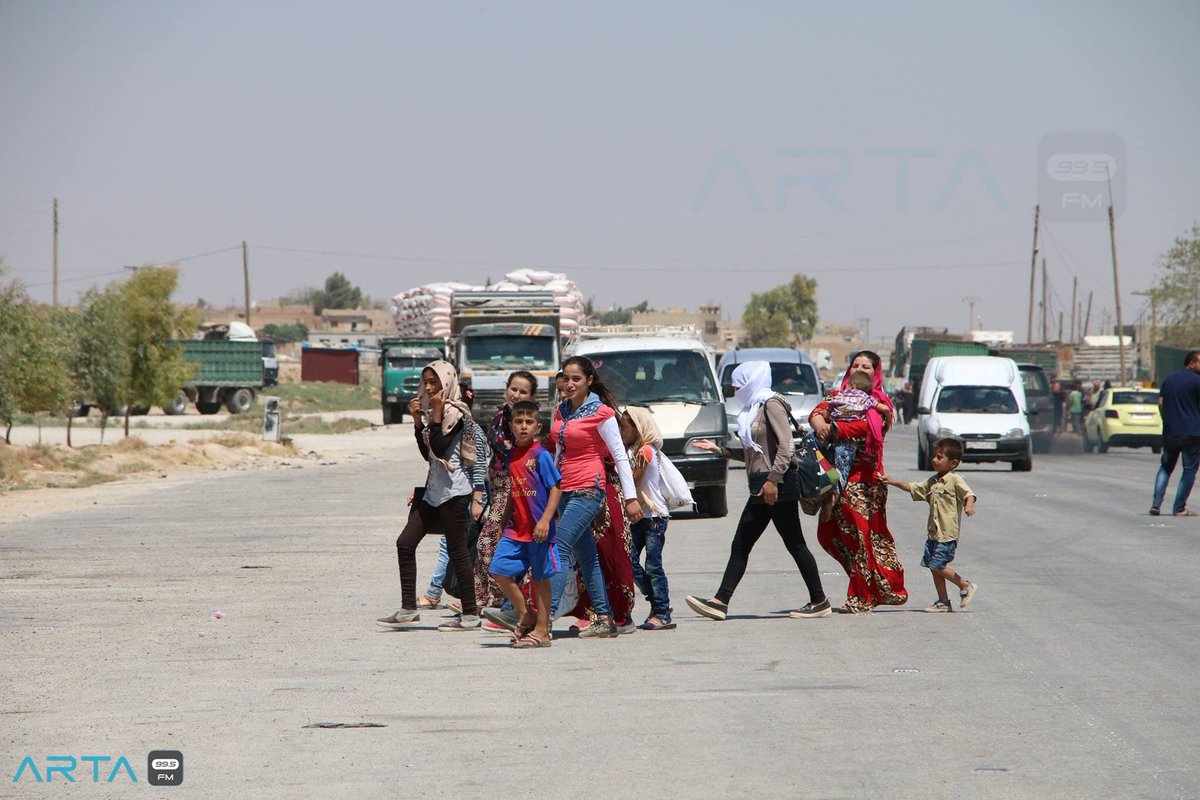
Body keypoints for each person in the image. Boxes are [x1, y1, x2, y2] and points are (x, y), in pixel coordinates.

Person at [685, 361, 831, 621]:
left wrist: (773, 480)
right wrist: (721, 451)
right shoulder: (751, 408)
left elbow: (785, 448)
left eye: (740, 382)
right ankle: (720, 601)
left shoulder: (771, 404)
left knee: (786, 543)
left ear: (753, 380)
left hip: (775, 486)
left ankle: (819, 600)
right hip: (762, 486)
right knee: (748, 544)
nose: (736, 388)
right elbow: (756, 454)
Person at [377, 361, 487, 631]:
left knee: (457, 551)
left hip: (455, 492)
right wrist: (418, 422)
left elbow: (439, 446)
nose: (428, 387)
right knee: (405, 542)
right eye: (425, 382)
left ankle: (470, 614)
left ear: (447, 382)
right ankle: (408, 609)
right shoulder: (433, 414)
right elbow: (428, 454)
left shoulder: (455, 413)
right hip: (433, 492)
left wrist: (435, 414)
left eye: (434, 382)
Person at [545, 355, 642, 638]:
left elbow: (621, 457)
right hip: (564, 488)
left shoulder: (601, 413)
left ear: (589, 381)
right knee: (586, 555)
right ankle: (603, 617)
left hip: (589, 488)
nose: (570, 383)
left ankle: (545, 618)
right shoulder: (561, 411)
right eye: (567, 378)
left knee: (560, 549)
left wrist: (631, 497)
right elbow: (557, 451)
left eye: (577, 379)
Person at [809, 351, 908, 614]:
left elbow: (867, 427)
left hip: (866, 481)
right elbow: (817, 413)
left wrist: (835, 429)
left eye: (866, 366)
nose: (860, 369)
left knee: (862, 539)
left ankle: (862, 596)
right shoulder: (837, 396)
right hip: (836, 478)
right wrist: (821, 424)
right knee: (829, 535)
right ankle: (873, 588)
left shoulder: (879, 404)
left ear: (875, 372)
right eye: (856, 365)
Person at [485, 400, 562, 648]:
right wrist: (501, 524)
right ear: (511, 425)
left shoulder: (541, 456)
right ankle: (525, 614)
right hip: (516, 530)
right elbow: (512, 491)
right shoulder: (512, 456)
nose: (524, 426)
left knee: (540, 578)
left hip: (539, 531)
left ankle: (542, 630)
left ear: (538, 427)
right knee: (498, 569)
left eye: (529, 422)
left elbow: (556, 488)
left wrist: (546, 520)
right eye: (519, 422)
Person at [883, 438, 978, 613]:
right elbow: (914, 487)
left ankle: (965, 585)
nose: (934, 460)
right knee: (933, 568)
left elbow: (969, 494)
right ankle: (943, 601)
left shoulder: (955, 480)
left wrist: (969, 505)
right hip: (934, 534)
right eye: (934, 456)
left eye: (939, 457)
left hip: (947, 534)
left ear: (953, 463)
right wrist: (893, 481)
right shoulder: (933, 481)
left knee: (937, 565)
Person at [473, 371, 538, 615]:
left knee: (490, 542)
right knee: (487, 543)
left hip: (515, 487)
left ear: (531, 396)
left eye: (523, 391)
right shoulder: (501, 415)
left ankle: (499, 601)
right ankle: (481, 599)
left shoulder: (524, 420)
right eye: (513, 389)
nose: (516, 395)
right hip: (496, 485)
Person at [421, 381, 486, 611]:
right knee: (450, 545)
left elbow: (476, 465)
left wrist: (478, 498)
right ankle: (440, 593)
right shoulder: (443, 426)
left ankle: (443, 595)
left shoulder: (469, 428)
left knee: (455, 546)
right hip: (454, 495)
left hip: (467, 495)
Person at [620, 406, 675, 630]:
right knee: (630, 561)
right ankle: (657, 602)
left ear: (638, 427)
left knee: (653, 565)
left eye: (625, 426)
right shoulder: (631, 451)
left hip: (654, 517)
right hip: (639, 517)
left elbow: (633, 480)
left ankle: (662, 612)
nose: (621, 430)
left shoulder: (645, 451)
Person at [819, 370, 893, 520]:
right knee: (842, 472)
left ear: (851, 384)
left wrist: (828, 420)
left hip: (829, 439)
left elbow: (826, 413)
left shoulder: (839, 395)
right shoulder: (867, 399)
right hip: (847, 443)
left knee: (827, 467)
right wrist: (887, 420)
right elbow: (884, 409)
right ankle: (832, 499)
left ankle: (822, 493)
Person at [1151, 350, 1200, 517]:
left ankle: (1156, 504)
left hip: (1171, 431)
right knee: (1189, 470)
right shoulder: (1198, 381)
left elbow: (1160, 403)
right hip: (1193, 432)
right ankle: (1179, 508)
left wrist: (1167, 420)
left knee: (1165, 467)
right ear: (1192, 363)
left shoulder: (1169, 379)